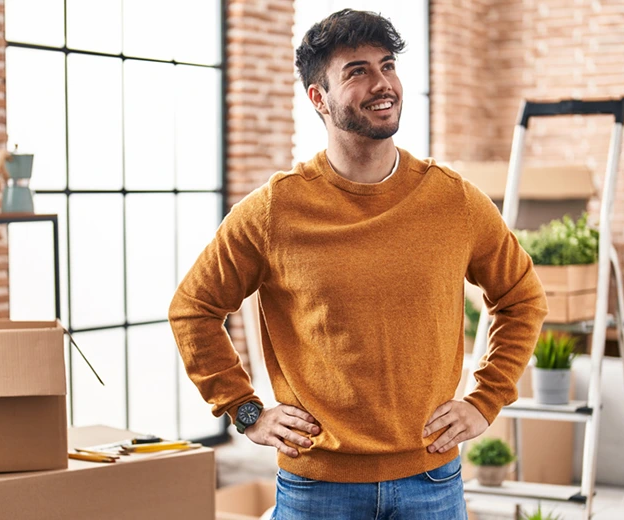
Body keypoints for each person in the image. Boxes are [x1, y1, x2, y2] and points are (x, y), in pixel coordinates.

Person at [169, 8, 547, 519]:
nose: (382, 83)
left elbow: (522, 298)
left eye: (387, 65)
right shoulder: (274, 210)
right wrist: (246, 409)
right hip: (317, 485)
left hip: (431, 478)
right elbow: (193, 309)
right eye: (357, 71)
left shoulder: (453, 199)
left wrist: (486, 400)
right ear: (318, 98)